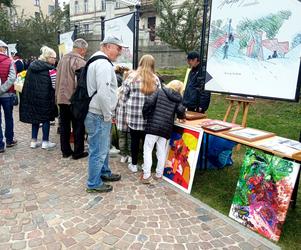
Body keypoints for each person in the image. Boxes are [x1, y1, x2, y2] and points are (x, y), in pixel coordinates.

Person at [84, 36, 127, 193]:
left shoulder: (97, 60)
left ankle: (104, 173)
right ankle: (93, 183)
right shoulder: (102, 64)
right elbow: (103, 93)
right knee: (99, 150)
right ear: (108, 46)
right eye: (118, 48)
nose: (120, 52)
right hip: (99, 114)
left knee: (102, 147)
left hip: (97, 112)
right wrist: (108, 114)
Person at [119, 54, 161, 173]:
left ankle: (133, 164)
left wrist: (125, 113)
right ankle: (145, 164)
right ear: (153, 64)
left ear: (140, 63)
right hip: (149, 117)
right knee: (146, 143)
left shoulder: (131, 77)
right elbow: (158, 98)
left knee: (134, 140)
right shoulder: (155, 79)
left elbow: (123, 96)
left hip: (133, 116)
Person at [142, 80, 186, 184]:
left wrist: (146, 114)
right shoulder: (178, 99)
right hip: (166, 128)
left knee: (148, 150)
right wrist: (181, 117)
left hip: (153, 125)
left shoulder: (159, 91)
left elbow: (148, 102)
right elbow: (181, 111)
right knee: (161, 151)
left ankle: (146, 175)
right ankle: (159, 174)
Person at [55, 38, 89, 159]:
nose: (85, 53)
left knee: (64, 125)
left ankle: (65, 151)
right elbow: (82, 84)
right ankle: (78, 152)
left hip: (61, 98)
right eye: (85, 50)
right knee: (78, 125)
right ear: (81, 49)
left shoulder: (62, 60)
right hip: (74, 100)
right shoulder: (80, 62)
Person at [19, 46, 58, 150]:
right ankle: (45, 142)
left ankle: (33, 141)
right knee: (46, 119)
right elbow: (55, 86)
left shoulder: (32, 67)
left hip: (32, 98)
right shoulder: (51, 70)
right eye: (54, 58)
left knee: (34, 118)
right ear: (48, 58)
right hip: (46, 98)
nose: (55, 60)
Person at [0, 40, 17, 153]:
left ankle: (0, 145)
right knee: (8, 117)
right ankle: (9, 140)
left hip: (3, 92)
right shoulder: (9, 61)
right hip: (7, 94)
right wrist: (2, 89)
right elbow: (12, 78)